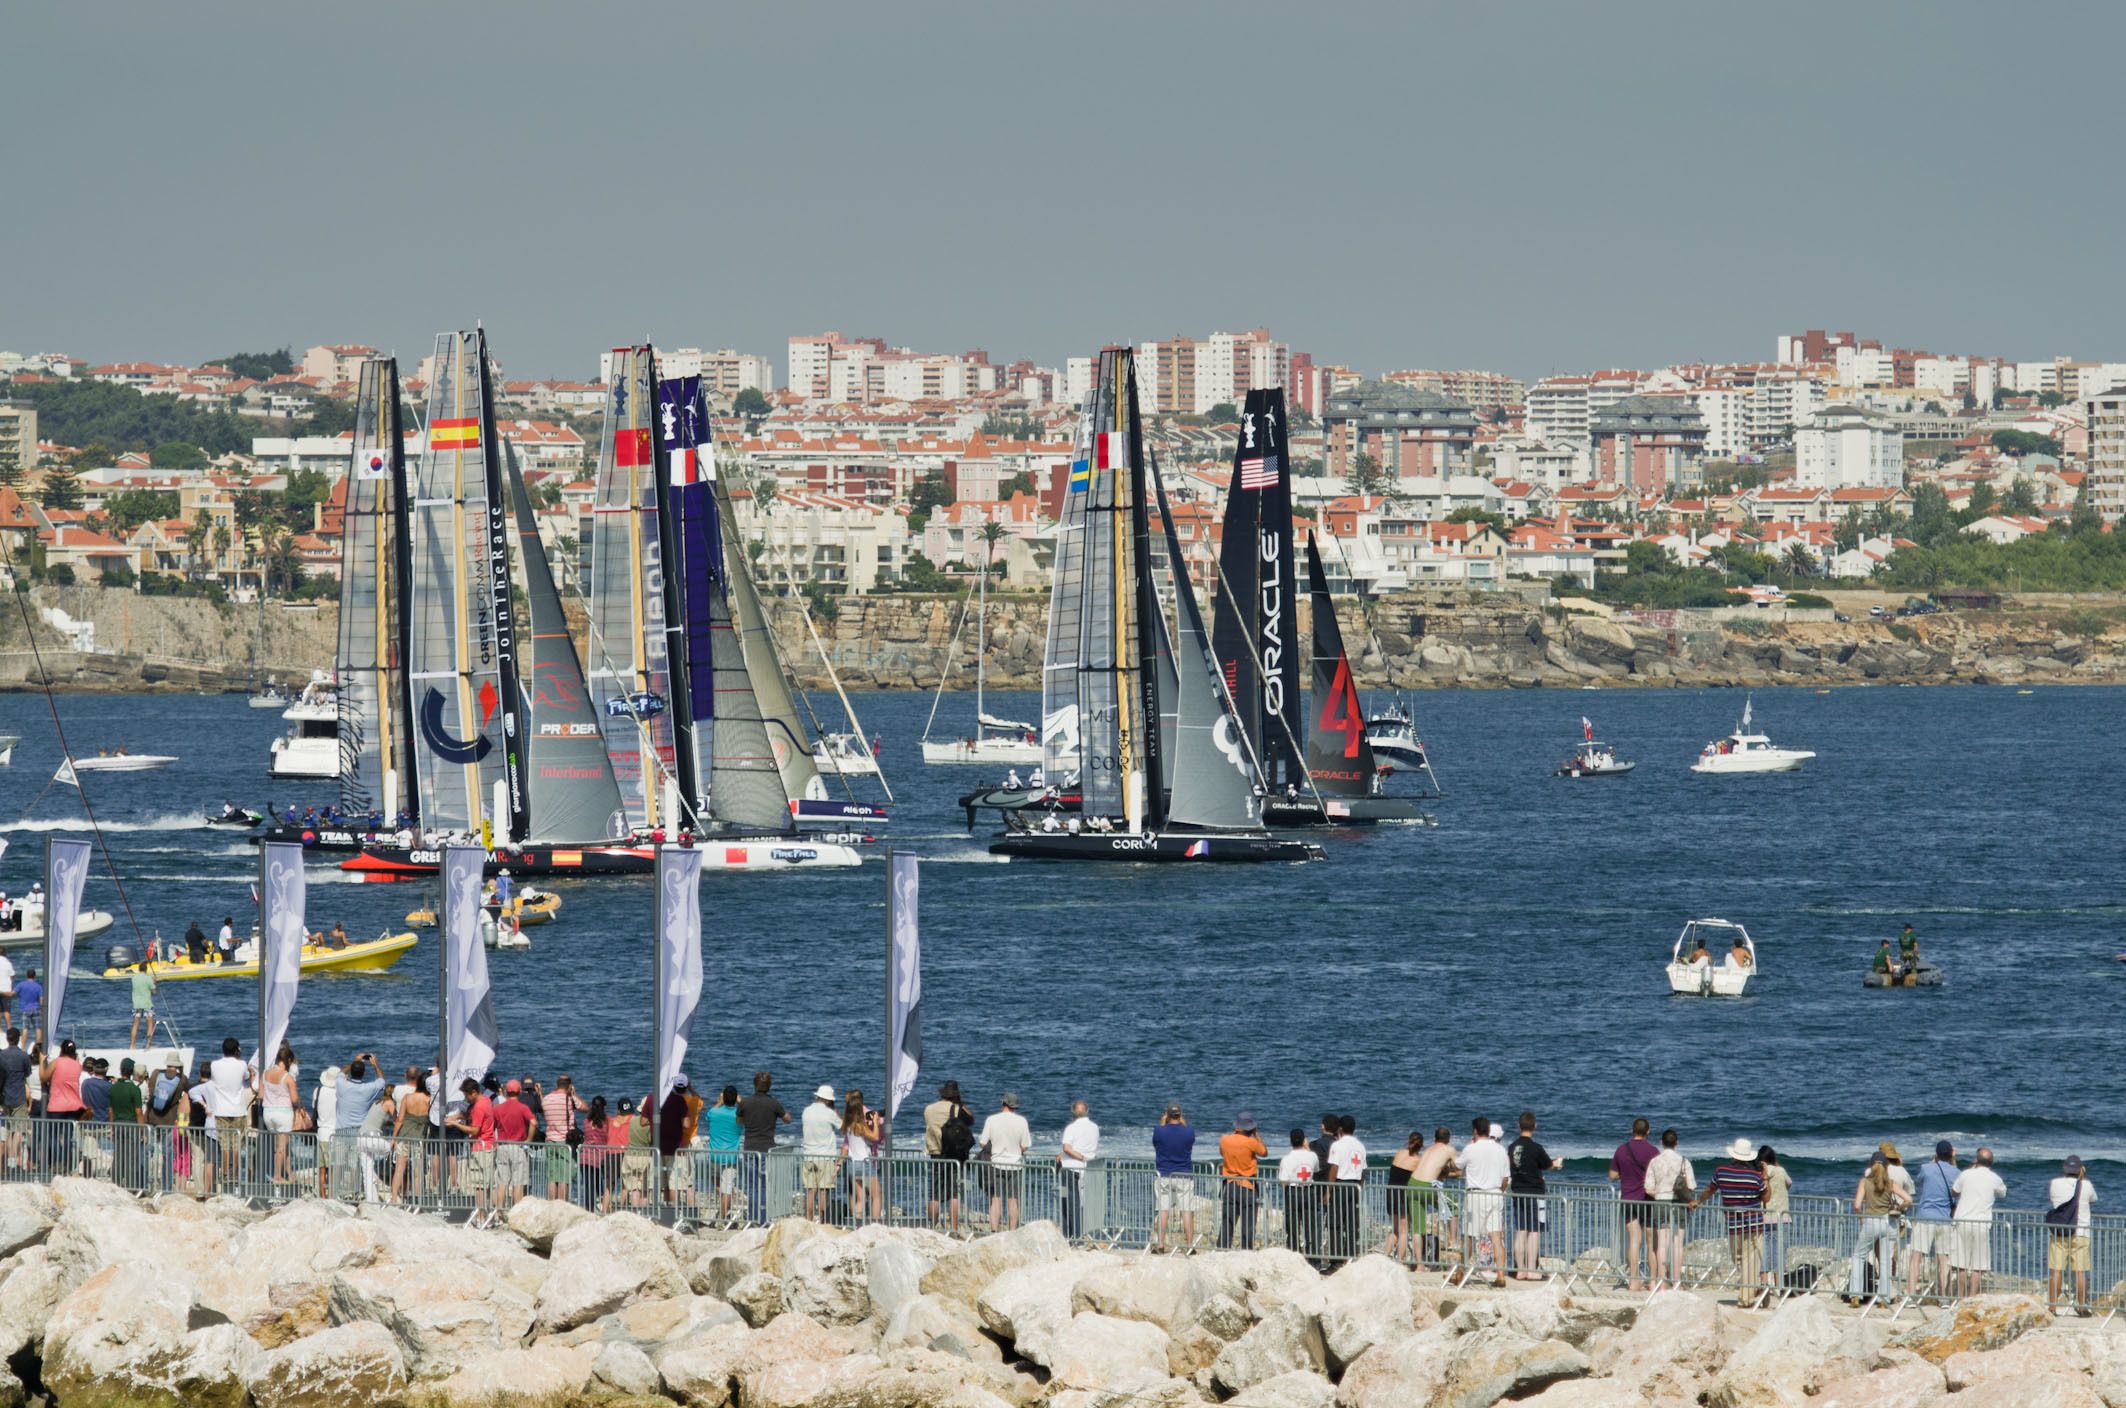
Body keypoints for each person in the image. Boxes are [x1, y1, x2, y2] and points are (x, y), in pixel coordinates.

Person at [1845, 1146, 1911, 1304]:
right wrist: (1898, 1208)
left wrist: (1861, 1218)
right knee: (1885, 1260)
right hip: (1888, 1222)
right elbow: (1908, 1199)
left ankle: (1855, 1294)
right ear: (1887, 1166)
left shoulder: (1865, 1182)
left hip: (1871, 1220)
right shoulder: (1891, 1183)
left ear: (1870, 1165)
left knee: (1858, 1256)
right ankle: (1884, 1298)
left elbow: (1856, 1205)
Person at [1708, 1138, 1769, 1307]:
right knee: (1750, 1260)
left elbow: (1710, 1189)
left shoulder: (1721, 1171)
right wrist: (1766, 1178)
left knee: (1739, 1259)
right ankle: (1755, 1286)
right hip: (1754, 1223)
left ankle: (1746, 1298)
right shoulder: (1755, 1177)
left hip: (1734, 1224)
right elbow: (1767, 1197)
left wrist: (1699, 1200)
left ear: (1734, 1155)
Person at [1507, 1111, 1560, 1281]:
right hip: (1535, 1192)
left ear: (1518, 1125)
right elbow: (1547, 1165)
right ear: (1535, 1126)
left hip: (1518, 1191)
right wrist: (1556, 1163)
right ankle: (1531, 1269)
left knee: (1521, 1230)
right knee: (1535, 1231)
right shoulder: (1536, 1148)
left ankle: (1520, 1269)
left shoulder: (1512, 1147)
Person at [1608, 1117, 1660, 1291]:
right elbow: (1658, 1176)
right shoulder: (1653, 1151)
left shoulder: (1622, 1150)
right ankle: (1653, 1281)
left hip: (1628, 1198)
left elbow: (1612, 1175)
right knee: (1651, 1241)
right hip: (1647, 1199)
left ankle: (1634, 1280)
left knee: (1634, 1241)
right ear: (1648, 1131)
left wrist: (1626, 1175)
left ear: (1632, 1130)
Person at [1459, 1117, 1510, 1287]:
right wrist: (1499, 1192)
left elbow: (1458, 1166)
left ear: (1474, 1130)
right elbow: (1505, 1179)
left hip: (1476, 1195)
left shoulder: (1471, 1148)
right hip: (1495, 1194)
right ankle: (1501, 1275)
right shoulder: (1501, 1150)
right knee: (1496, 1236)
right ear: (1488, 1131)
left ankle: (1461, 1271)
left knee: (1469, 1235)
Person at [1644, 1128, 1696, 1290]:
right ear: (1676, 1143)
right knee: (1678, 1243)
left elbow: (1648, 1188)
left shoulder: (1655, 1161)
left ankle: (1661, 1281)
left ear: (1661, 1143)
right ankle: (1677, 1281)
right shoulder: (1683, 1161)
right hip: (1679, 1204)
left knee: (1662, 1243)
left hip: (1661, 1203)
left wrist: (1660, 1194)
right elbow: (1692, 1186)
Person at [1950, 1146, 2005, 1297]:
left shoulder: (1966, 1174)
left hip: (1962, 1221)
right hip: (1981, 1223)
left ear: (1976, 1160)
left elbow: (1954, 1191)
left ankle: (1960, 1297)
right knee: (1978, 1266)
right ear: (1991, 1162)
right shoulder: (1994, 1178)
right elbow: (2003, 1193)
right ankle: (1972, 1297)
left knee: (1960, 1264)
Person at [1907, 1140, 1959, 1300]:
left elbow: (1920, 1181)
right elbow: (1957, 1193)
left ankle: (1911, 1296)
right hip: (1945, 1219)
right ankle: (1943, 1297)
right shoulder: (1956, 1172)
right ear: (1951, 1154)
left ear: (1936, 1154)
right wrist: (1952, 1161)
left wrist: (1933, 1161)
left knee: (1916, 1258)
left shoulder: (1926, 1168)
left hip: (1925, 1217)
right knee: (1944, 1260)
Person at [2045, 1156, 2097, 1317]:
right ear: (2080, 1169)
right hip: (2081, 1233)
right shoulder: (2086, 1185)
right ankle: (2082, 1307)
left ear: (2065, 1168)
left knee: (2056, 1271)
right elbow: (2094, 1199)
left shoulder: (2055, 1183)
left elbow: (2054, 1200)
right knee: (2080, 1272)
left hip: (2060, 1232)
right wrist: (2083, 1179)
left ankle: (2052, 1307)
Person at [735, 1071, 789, 1224]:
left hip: (750, 1147)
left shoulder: (745, 1102)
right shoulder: (774, 1103)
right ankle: (764, 1218)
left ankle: (753, 1218)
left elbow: (738, 1122)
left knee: (752, 1185)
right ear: (769, 1086)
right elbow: (787, 1120)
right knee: (764, 1184)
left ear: (754, 1084)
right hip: (767, 1148)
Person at [333, 1053, 386, 1206]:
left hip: (342, 1131)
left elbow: (341, 1073)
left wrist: (355, 1061)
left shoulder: (342, 1085)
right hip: (359, 1132)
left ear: (352, 1072)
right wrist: (375, 1064)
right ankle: (355, 1193)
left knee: (338, 1164)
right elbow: (382, 1081)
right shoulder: (368, 1089)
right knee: (356, 1165)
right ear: (363, 1073)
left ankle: (334, 1194)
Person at [978, 1091, 1031, 1232]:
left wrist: (995, 1145)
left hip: (996, 1162)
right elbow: (1025, 1146)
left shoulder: (992, 1119)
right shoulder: (1022, 1121)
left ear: (1003, 1103)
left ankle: (994, 1231)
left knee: (996, 1199)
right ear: (1015, 1106)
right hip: (1015, 1164)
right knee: (1013, 1200)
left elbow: (982, 1143)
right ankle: (1012, 1231)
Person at [450, 1078, 499, 1225]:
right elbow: (474, 1117)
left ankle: (481, 1216)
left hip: (480, 1148)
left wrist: (455, 1124)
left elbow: (474, 1129)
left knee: (479, 1185)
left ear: (473, 1092)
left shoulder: (478, 1106)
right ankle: (491, 1215)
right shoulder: (486, 1100)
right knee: (489, 1184)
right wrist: (458, 1116)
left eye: (466, 1095)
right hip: (490, 1145)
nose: (465, 1098)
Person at [924, 1081, 972, 1231]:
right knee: (954, 1194)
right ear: (955, 1095)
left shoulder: (928, 1109)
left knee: (935, 1194)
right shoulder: (957, 1109)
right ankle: (954, 1228)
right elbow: (971, 1120)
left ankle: (932, 1226)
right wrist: (961, 1104)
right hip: (953, 1155)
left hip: (935, 1154)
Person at [1219, 1112, 1269, 1251]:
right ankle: (1246, 1250)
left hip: (1229, 1184)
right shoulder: (1251, 1142)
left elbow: (1222, 1153)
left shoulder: (1224, 1140)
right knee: (1248, 1223)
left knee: (1227, 1220)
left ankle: (1222, 1248)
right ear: (1250, 1127)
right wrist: (1257, 1135)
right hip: (1248, 1185)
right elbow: (1264, 1152)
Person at [1410, 1128, 1460, 1267]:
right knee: (1454, 1205)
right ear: (1448, 1139)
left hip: (1412, 1184)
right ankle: (1452, 1240)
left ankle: (1420, 1265)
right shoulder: (1449, 1149)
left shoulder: (1428, 1149)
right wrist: (1448, 1173)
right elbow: (1459, 1169)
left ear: (1434, 1138)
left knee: (1417, 1228)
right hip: (1427, 1185)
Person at [1151, 1103, 1196, 1253]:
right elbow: (1189, 1142)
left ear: (1167, 1115)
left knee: (1163, 1211)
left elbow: (1156, 1144)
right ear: (1180, 1115)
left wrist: (1163, 1123)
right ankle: (1190, 1246)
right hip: (1184, 1175)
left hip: (1164, 1175)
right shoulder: (1189, 1131)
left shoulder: (1159, 1130)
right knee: (1186, 1211)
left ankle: (1161, 1245)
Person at [799, 1084, 842, 1222]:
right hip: (825, 1156)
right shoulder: (829, 1113)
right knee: (824, 1191)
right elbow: (843, 1127)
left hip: (808, 1156)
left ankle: (808, 1220)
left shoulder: (806, 1111)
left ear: (817, 1096)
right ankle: (823, 1222)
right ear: (829, 1100)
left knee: (810, 1192)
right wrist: (836, 1112)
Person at [1058, 1099, 1099, 1241]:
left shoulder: (1071, 1128)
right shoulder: (1094, 1127)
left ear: (1073, 1112)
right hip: (1088, 1169)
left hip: (1070, 1168)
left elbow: (1067, 1148)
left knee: (1070, 1204)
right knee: (1081, 1203)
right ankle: (1078, 1235)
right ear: (1087, 1111)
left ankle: (1073, 1236)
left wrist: (1080, 1157)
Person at [1277, 1129, 1320, 1256]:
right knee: (1310, 1226)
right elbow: (1316, 1169)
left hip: (1293, 1191)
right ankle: (1313, 1257)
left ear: (1290, 1141)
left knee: (1292, 1226)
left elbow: (1283, 1180)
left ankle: (1294, 1253)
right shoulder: (1312, 1156)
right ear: (1303, 1140)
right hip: (1309, 1191)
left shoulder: (1287, 1159)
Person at [841, 1088, 882, 1223]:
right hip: (864, 1163)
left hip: (853, 1164)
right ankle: (876, 1224)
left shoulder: (848, 1125)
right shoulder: (859, 1126)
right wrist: (875, 1122)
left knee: (860, 1198)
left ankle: (857, 1223)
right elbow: (875, 1137)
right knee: (876, 1196)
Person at [493, 1078, 534, 1211]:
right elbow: (534, 1122)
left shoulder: (498, 1108)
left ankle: (498, 1212)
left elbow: (492, 1126)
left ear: (506, 1091)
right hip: (517, 1146)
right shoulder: (523, 1108)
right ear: (519, 1091)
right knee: (518, 1183)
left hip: (502, 1146)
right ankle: (516, 1212)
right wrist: (529, 1139)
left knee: (501, 1182)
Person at [260, 1045, 298, 1184]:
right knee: (281, 1147)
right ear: (288, 1060)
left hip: (268, 1113)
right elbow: (294, 1099)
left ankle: (289, 1174)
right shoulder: (288, 1078)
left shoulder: (265, 1074)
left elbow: (260, 1094)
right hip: (283, 1113)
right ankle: (277, 1176)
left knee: (281, 1146)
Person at [703, 1084, 741, 1225]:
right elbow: (749, 1114)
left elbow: (708, 1115)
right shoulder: (738, 1115)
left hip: (714, 1155)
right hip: (730, 1156)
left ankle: (724, 1212)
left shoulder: (714, 1112)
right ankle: (723, 1217)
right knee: (727, 1187)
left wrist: (720, 1101)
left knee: (719, 1186)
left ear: (723, 1098)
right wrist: (740, 1101)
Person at [1758, 1145, 1793, 1298]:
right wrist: (1777, 1165)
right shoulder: (1781, 1171)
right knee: (1779, 1251)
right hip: (1782, 1216)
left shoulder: (1761, 1173)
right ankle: (1780, 1285)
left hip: (1765, 1216)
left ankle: (1764, 1283)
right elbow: (1789, 1183)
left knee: (1764, 1250)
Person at [393, 1072, 432, 1203]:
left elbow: (400, 1119)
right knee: (417, 1171)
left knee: (399, 1169)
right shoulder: (429, 1100)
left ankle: (394, 1199)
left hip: (404, 1135)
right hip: (419, 1138)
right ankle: (417, 1200)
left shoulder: (407, 1097)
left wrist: (393, 1137)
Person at [542, 1075, 581, 1204]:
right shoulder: (569, 1099)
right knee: (564, 1177)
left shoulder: (546, 1099)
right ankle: (562, 1204)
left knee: (552, 1177)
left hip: (550, 1140)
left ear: (557, 1084)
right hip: (564, 1142)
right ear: (569, 1086)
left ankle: (552, 1203)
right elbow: (585, 1108)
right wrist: (574, 1094)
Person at [1386, 1132, 1425, 1263]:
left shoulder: (1399, 1153)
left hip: (1390, 1192)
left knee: (1395, 1229)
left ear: (1409, 1141)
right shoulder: (1418, 1161)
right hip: (1403, 1194)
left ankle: (1385, 1256)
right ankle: (1400, 1261)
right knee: (1404, 1231)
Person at [0, 1029, 29, 1173]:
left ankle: (7, 1163)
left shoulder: (2, 1055)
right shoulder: (23, 1056)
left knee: (7, 1131)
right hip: (18, 1096)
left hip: (4, 1097)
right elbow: (27, 1073)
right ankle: (13, 1162)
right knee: (18, 1131)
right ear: (19, 1039)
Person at [125, 962, 158, 1050]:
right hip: (147, 1004)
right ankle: (148, 1045)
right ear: (146, 970)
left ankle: (132, 1046)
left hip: (136, 1004)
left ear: (139, 969)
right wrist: (155, 982)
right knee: (150, 1024)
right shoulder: (149, 978)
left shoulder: (134, 978)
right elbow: (154, 992)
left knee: (135, 1024)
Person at [16, 970, 41, 1045]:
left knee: (25, 1029)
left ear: (26, 975)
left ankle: (23, 1048)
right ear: (34, 976)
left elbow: (13, 993)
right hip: (36, 1008)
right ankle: (39, 1048)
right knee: (38, 1029)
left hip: (26, 1009)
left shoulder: (21, 985)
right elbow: (41, 1000)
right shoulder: (38, 986)